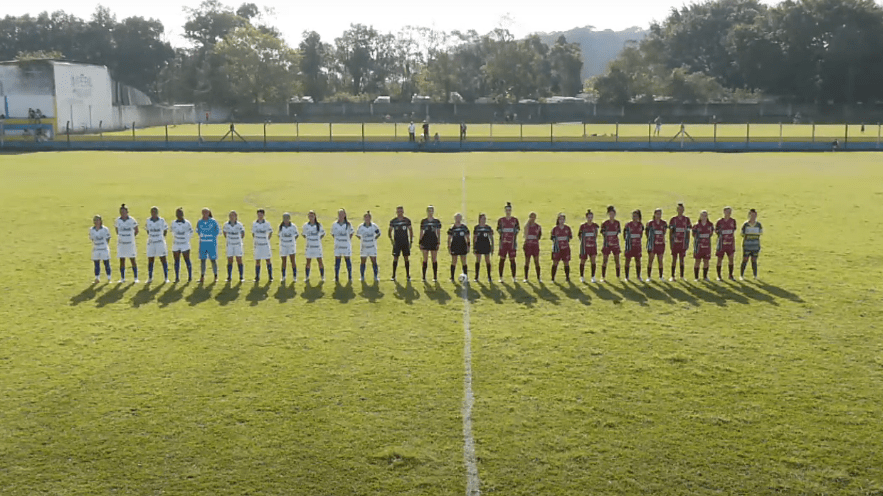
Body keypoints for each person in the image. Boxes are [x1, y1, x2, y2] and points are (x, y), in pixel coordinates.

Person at [144, 206, 170, 284]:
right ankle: (150, 277)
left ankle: (166, 278)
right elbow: (148, 231)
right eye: (152, 212)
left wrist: (160, 238)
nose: (154, 214)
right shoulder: (148, 221)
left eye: (155, 212)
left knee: (163, 259)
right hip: (151, 243)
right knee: (151, 260)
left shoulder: (162, 221)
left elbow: (165, 230)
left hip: (160, 243)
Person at [496, 202, 520, 283]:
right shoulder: (501, 220)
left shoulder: (515, 220)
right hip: (503, 244)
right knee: (502, 259)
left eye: (509, 210)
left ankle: (514, 277)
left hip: (512, 244)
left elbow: (517, 230)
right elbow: (499, 230)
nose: (508, 211)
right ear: (505, 211)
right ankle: (501, 277)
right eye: (507, 210)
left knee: (512, 260)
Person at [115, 204, 139, 283]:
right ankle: (122, 278)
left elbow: (136, 230)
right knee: (122, 261)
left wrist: (130, 237)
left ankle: (136, 278)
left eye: (124, 211)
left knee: (133, 260)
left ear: (127, 212)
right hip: (121, 244)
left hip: (130, 244)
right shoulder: (117, 220)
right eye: (121, 212)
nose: (123, 213)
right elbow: (117, 231)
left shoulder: (132, 220)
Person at [388, 206, 413, 281]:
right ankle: (393, 275)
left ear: (403, 212)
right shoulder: (393, 221)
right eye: (398, 211)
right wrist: (391, 240)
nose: (400, 213)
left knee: (406, 258)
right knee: (395, 258)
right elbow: (389, 231)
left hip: (405, 242)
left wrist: (411, 241)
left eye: (401, 211)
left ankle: (408, 275)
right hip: (397, 242)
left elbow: (411, 231)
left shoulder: (407, 220)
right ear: (396, 212)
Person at [669, 202, 692, 281]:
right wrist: (671, 243)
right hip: (675, 244)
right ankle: (672, 276)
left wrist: (687, 243)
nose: (680, 211)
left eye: (682, 209)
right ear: (677, 210)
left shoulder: (687, 220)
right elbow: (671, 233)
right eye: (679, 209)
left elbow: (688, 232)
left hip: (682, 244)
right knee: (674, 260)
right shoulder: (673, 220)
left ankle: (682, 276)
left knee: (682, 260)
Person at [170, 207, 194, 282]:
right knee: (176, 261)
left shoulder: (187, 223)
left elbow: (191, 232)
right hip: (176, 244)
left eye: (180, 213)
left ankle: (190, 276)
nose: (179, 215)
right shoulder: (173, 223)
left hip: (185, 244)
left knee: (187, 260)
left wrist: (186, 239)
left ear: (183, 214)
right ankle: (177, 277)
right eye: (177, 213)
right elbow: (172, 231)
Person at [356, 211, 381, 282]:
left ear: (370, 218)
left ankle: (376, 276)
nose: (367, 219)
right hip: (364, 247)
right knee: (363, 262)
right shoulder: (361, 227)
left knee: (374, 261)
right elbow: (357, 234)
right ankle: (362, 276)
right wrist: (363, 240)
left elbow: (378, 233)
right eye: (366, 217)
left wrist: (374, 238)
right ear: (364, 218)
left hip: (372, 247)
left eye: (368, 217)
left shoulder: (374, 226)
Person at [197, 208, 220, 283]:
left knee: (213, 260)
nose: (205, 214)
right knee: (203, 260)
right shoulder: (200, 222)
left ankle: (216, 276)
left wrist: (212, 236)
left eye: (206, 212)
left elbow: (217, 230)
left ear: (209, 213)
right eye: (203, 213)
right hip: (203, 243)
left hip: (211, 244)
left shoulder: (213, 221)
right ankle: (202, 276)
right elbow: (198, 231)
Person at [419, 205, 442, 282]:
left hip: (433, 241)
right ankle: (424, 277)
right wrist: (420, 242)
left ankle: (435, 277)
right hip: (425, 241)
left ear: (433, 212)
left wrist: (438, 242)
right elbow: (421, 232)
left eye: (431, 211)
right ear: (427, 212)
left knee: (434, 259)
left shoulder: (436, 222)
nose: (430, 212)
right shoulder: (424, 221)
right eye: (429, 211)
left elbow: (438, 232)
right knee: (425, 259)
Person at [332, 208, 355, 282]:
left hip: (346, 245)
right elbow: (333, 234)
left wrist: (346, 240)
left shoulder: (348, 224)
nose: (341, 215)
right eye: (339, 214)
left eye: (342, 214)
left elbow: (351, 233)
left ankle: (350, 276)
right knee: (337, 262)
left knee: (347, 260)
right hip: (338, 246)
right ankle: (336, 277)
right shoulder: (335, 224)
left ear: (345, 215)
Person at [645, 208, 668, 281]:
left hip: (660, 245)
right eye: (657, 214)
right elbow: (647, 233)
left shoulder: (664, 223)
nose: (659, 216)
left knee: (660, 260)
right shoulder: (650, 223)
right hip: (652, 245)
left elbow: (664, 233)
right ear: (654, 214)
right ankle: (649, 277)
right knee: (650, 260)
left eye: (660, 214)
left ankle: (661, 276)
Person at [715, 206, 738, 280]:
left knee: (731, 259)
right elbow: (716, 232)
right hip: (722, 244)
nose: (729, 213)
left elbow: (733, 231)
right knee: (719, 260)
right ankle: (719, 276)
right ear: (724, 212)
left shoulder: (733, 221)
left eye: (730, 212)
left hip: (730, 244)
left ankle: (730, 275)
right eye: (727, 212)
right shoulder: (719, 222)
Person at [600, 206, 622, 282]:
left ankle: (618, 276)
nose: (611, 215)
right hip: (607, 244)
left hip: (615, 244)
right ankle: (603, 276)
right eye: (610, 214)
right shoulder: (605, 223)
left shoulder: (617, 223)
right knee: (605, 260)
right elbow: (602, 233)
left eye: (613, 214)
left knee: (617, 260)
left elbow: (618, 232)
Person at [740, 208, 763, 280]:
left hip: (755, 245)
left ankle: (755, 275)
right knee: (745, 259)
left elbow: (761, 233)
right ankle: (741, 275)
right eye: (751, 215)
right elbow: (742, 234)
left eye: (754, 215)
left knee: (754, 260)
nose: (753, 216)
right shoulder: (745, 224)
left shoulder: (758, 225)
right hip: (747, 245)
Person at [303, 211, 326, 282]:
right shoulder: (306, 225)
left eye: (312, 216)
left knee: (320, 261)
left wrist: (317, 240)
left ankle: (322, 277)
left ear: (315, 216)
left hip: (317, 247)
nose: (311, 217)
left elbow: (323, 234)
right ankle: (307, 277)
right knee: (308, 262)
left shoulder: (319, 225)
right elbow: (304, 234)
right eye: (310, 216)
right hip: (309, 247)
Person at [252, 209, 274, 282]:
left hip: (265, 244)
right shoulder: (254, 223)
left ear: (263, 215)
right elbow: (253, 233)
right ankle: (257, 277)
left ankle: (270, 276)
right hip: (258, 245)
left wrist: (267, 239)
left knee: (268, 260)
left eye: (261, 214)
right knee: (257, 261)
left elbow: (270, 232)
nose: (260, 216)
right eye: (258, 214)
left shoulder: (267, 223)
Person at [223, 210, 246, 282]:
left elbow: (243, 234)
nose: (232, 217)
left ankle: (241, 277)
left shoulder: (239, 225)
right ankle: (229, 277)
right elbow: (224, 233)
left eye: (233, 216)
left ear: (236, 217)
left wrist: (237, 240)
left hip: (238, 245)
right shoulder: (226, 225)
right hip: (230, 245)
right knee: (230, 260)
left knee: (239, 259)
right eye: (230, 216)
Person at [578, 209, 599, 283]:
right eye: (589, 217)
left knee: (593, 261)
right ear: (586, 218)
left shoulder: (595, 226)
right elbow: (579, 235)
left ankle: (593, 276)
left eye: (591, 217)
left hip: (592, 246)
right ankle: (582, 276)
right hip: (584, 247)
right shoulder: (583, 226)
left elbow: (596, 235)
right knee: (583, 261)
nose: (590, 219)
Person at [447, 213, 470, 282]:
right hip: (455, 246)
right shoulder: (452, 228)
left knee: (464, 261)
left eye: (459, 218)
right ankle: (452, 277)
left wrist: (468, 246)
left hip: (463, 246)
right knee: (454, 261)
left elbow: (468, 237)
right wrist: (449, 247)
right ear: (455, 219)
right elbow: (449, 239)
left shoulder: (464, 227)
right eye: (457, 218)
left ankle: (466, 277)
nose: (458, 219)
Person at [89, 215, 112, 283]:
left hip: (104, 248)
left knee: (106, 263)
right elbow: (92, 239)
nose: (97, 222)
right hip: (96, 248)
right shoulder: (91, 230)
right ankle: (97, 278)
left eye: (98, 220)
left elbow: (108, 238)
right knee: (96, 264)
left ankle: (109, 277)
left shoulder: (105, 229)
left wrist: (104, 245)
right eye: (96, 220)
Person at [692, 210, 714, 281]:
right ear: (700, 216)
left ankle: (705, 276)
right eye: (702, 215)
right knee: (697, 261)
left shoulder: (710, 225)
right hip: (698, 247)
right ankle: (696, 277)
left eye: (705, 216)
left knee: (706, 261)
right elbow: (693, 235)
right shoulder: (696, 226)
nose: (704, 217)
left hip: (707, 247)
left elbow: (711, 234)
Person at [623, 209, 644, 282]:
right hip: (629, 246)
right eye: (633, 216)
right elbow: (624, 234)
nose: (634, 217)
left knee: (638, 260)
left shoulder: (641, 225)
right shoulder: (628, 225)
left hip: (637, 246)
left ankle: (638, 276)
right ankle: (626, 277)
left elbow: (641, 235)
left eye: (636, 216)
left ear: (638, 217)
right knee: (627, 260)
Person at [550, 213, 572, 282]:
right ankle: (553, 278)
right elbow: (552, 238)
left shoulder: (567, 228)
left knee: (566, 262)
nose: (561, 221)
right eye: (560, 219)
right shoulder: (555, 229)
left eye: (563, 219)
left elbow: (570, 237)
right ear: (558, 220)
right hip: (557, 249)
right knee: (555, 263)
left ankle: (567, 277)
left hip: (565, 248)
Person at [472, 213, 495, 282]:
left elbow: (491, 238)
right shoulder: (476, 228)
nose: (484, 220)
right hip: (479, 245)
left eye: (485, 219)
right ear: (479, 219)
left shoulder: (488, 228)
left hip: (486, 245)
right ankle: (476, 277)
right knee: (478, 260)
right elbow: (474, 238)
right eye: (482, 219)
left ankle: (489, 276)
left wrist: (492, 246)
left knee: (487, 260)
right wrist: (474, 247)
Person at [278, 213, 299, 283]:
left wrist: (291, 241)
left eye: (287, 218)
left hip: (291, 246)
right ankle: (283, 276)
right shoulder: (281, 226)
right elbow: (279, 235)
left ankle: (294, 276)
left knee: (292, 261)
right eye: (284, 218)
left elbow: (296, 235)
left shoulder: (293, 226)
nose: (286, 220)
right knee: (284, 261)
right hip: (283, 246)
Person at [522, 212, 542, 282]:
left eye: (534, 217)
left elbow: (539, 236)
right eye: (531, 217)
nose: (533, 218)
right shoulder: (527, 226)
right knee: (527, 261)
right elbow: (525, 234)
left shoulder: (538, 227)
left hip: (535, 245)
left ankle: (539, 277)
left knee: (536, 261)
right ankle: (526, 277)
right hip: (528, 245)